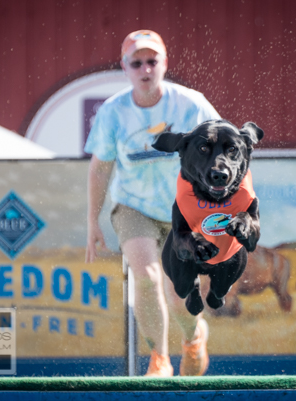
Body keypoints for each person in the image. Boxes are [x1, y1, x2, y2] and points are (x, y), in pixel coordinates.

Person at [84, 30, 221, 377]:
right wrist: (92, 220)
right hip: (133, 207)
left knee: (179, 299)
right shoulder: (113, 112)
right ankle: (159, 358)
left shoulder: (191, 104)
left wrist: (223, 204)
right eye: (137, 62)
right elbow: (100, 168)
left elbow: (224, 150)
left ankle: (193, 338)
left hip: (184, 210)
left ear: (164, 64)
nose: (145, 69)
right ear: (125, 68)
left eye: (152, 61)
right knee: (145, 277)